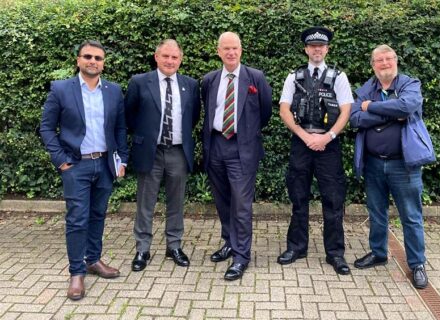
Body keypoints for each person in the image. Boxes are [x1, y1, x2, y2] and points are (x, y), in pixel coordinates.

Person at [40, 40, 128, 300]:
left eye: (98, 58)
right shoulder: (61, 89)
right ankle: (76, 272)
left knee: (98, 214)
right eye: (87, 56)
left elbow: (120, 128)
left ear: (103, 63)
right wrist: (60, 160)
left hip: (104, 164)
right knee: (77, 218)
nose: (93, 61)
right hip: (76, 165)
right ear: (78, 60)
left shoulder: (113, 91)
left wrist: (121, 159)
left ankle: (94, 260)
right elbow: (46, 127)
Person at [350, 44, 435, 289]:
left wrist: (371, 107)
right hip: (374, 164)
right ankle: (378, 253)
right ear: (373, 65)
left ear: (395, 61)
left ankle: (417, 264)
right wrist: (390, 112)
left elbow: (406, 107)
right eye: (379, 60)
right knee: (376, 213)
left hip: (404, 165)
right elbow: (355, 117)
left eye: (388, 59)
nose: (384, 63)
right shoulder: (367, 88)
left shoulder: (410, 84)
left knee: (411, 216)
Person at [277, 26, 353, 275]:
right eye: (312, 46)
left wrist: (328, 137)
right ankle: (297, 247)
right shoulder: (294, 76)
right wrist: (303, 135)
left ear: (327, 49)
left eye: (321, 46)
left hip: (328, 146)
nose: (317, 49)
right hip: (301, 144)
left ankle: (335, 253)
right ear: (306, 49)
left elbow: (346, 111)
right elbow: (284, 109)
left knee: (333, 200)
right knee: (298, 198)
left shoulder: (338, 76)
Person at [202, 31, 272, 281]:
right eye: (226, 48)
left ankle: (241, 256)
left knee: (241, 205)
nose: (231, 52)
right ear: (218, 51)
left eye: (235, 48)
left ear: (241, 50)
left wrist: (245, 133)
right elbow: (209, 112)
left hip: (243, 149)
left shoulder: (256, 78)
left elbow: (265, 112)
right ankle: (230, 242)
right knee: (223, 202)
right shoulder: (209, 80)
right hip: (216, 146)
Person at [125, 39, 201, 270]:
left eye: (174, 57)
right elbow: (129, 115)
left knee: (176, 202)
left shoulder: (190, 84)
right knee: (145, 203)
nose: (170, 61)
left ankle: (174, 246)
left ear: (180, 59)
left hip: (178, 151)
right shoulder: (139, 82)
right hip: (151, 151)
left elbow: (193, 116)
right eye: (165, 56)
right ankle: (142, 249)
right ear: (156, 57)